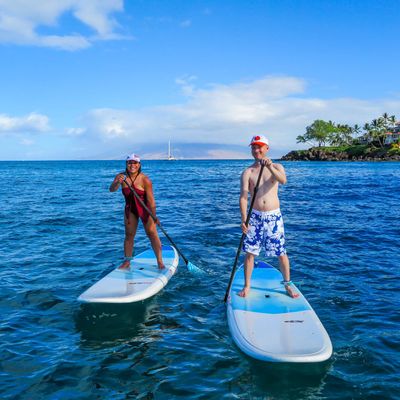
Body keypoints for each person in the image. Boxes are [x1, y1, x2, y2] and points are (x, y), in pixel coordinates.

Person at [238, 135, 299, 298]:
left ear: (266, 149)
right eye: (253, 147)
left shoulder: (277, 167)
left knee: (281, 252)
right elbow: (243, 197)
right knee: (250, 253)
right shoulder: (248, 172)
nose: (256, 150)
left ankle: (287, 285)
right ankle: (247, 285)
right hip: (255, 217)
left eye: (259, 147)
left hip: (273, 217)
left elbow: (283, 180)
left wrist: (270, 166)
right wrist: (244, 219)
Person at [109, 153, 165, 270]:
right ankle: (127, 262)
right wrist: (117, 182)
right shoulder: (120, 176)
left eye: (135, 163)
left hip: (145, 209)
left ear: (139, 165)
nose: (132, 165)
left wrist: (154, 216)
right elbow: (112, 190)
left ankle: (160, 262)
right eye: (130, 163)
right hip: (130, 209)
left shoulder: (145, 180)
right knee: (129, 235)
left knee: (152, 233)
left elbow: (151, 201)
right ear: (126, 164)